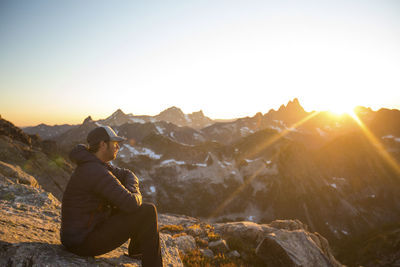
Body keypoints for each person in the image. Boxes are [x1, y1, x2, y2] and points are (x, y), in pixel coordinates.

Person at [60, 126, 163, 267]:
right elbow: (131, 203)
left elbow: (127, 174)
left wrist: (131, 188)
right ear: (103, 145)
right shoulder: (95, 171)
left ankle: (137, 252)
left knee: (138, 209)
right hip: (82, 242)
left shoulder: (96, 165)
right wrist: (135, 192)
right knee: (148, 211)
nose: (118, 147)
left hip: (79, 235)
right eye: (114, 143)